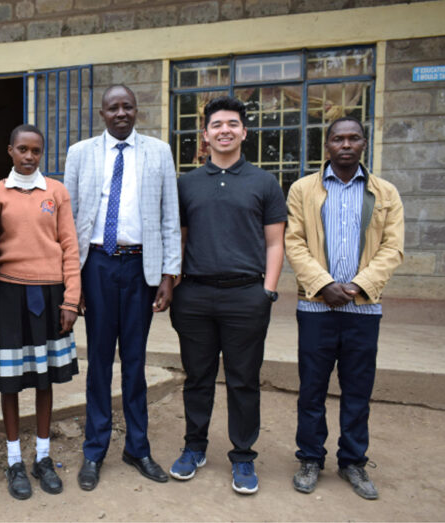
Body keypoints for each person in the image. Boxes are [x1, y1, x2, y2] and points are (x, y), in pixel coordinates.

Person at [64, 84, 181, 490]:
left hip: (139, 269)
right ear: (102, 113)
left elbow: (170, 215)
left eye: (127, 106)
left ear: (137, 111)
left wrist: (169, 274)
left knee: (134, 362)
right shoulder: (80, 153)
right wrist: (71, 281)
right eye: (113, 107)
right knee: (98, 361)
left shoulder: (158, 152)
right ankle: (94, 451)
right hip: (94, 265)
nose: (120, 113)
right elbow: (70, 220)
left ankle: (138, 448)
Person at [169, 96, 286, 494]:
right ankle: (194, 447)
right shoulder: (186, 184)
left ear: (244, 132)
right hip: (196, 296)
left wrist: (267, 292)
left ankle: (243, 456)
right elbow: (179, 241)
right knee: (197, 377)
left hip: (246, 296)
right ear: (205, 134)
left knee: (243, 380)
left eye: (232, 124)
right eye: (217, 124)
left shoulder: (264, 182)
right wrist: (178, 285)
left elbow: (275, 243)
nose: (224, 130)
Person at [285, 117, 404, 500]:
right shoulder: (303, 189)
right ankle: (310, 458)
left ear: (364, 144)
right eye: (339, 138)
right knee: (312, 389)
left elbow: (392, 248)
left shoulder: (385, 193)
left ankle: (353, 461)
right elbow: (295, 242)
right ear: (328, 145)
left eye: (354, 138)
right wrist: (323, 285)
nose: (346, 144)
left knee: (357, 389)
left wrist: (357, 286)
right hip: (315, 308)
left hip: (363, 310)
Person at [0, 124, 81, 500]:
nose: (29, 157)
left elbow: (70, 247)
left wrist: (71, 299)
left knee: (44, 379)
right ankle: (14, 460)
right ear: (10, 150)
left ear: (42, 153)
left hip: (50, 295)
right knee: (10, 380)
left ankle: (42, 456)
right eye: (22, 149)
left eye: (36, 151)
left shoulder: (56, 192)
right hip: (9, 296)